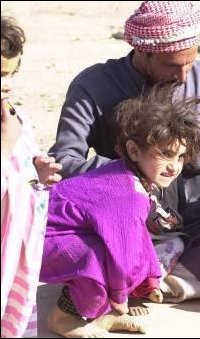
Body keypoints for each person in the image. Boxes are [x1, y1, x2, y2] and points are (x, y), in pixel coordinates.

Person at [48, 1, 200, 228]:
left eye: (189, 64)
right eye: (171, 65)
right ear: (143, 51)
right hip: (134, 226)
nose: (183, 77)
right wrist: (127, 174)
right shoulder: (93, 87)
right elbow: (63, 161)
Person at [39, 84, 200, 338]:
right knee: (95, 255)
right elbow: (122, 253)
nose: (174, 166)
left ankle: (104, 316)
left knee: (118, 246)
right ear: (133, 151)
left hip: (49, 234)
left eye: (180, 156)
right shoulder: (128, 194)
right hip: (35, 240)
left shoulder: (131, 176)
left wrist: (148, 280)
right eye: (165, 154)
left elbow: (137, 236)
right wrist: (120, 298)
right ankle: (64, 318)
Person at [1, 16, 62, 338]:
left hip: (11, 255)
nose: (7, 84)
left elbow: (19, 172)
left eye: (12, 73)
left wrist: (35, 171)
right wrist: (5, 145)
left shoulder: (14, 118)